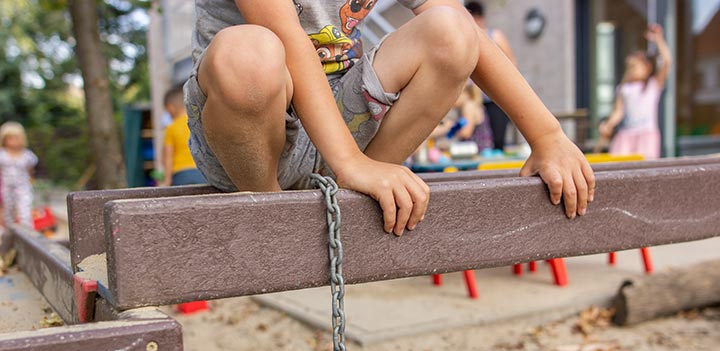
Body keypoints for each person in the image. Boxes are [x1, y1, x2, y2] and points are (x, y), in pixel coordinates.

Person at [184, 0, 595, 238]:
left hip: (342, 123)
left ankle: (360, 193)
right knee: (249, 52)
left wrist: (547, 135)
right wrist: (349, 160)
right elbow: (288, 40)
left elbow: (464, 33)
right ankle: (270, 214)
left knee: (451, 30)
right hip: (249, 139)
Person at [599, 24, 671, 159]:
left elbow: (667, 61)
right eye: (629, 67)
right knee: (620, 164)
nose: (631, 69)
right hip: (626, 134)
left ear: (647, 67)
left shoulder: (652, 85)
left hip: (645, 134)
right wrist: (608, 125)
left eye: (635, 66)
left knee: (644, 167)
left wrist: (659, 39)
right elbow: (618, 112)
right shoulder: (623, 88)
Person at [465, 1, 516, 151]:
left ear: (479, 18)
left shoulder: (495, 36)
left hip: (495, 99)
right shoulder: (464, 40)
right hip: (474, 99)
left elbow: (511, 64)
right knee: (476, 141)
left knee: (497, 139)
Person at [162, 85, 207, 186]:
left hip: (180, 175)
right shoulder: (199, 123)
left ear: (170, 108)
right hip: (202, 172)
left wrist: (167, 181)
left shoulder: (171, 128)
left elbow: (168, 157)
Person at [0, 121, 38, 229]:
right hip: (7, 188)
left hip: (23, 187)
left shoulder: (27, 155)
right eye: (10, 138)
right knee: (9, 211)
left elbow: (31, 170)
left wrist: (31, 180)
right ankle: (10, 235)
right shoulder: (2, 155)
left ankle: (28, 234)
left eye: (16, 138)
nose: (13, 141)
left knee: (25, 211)